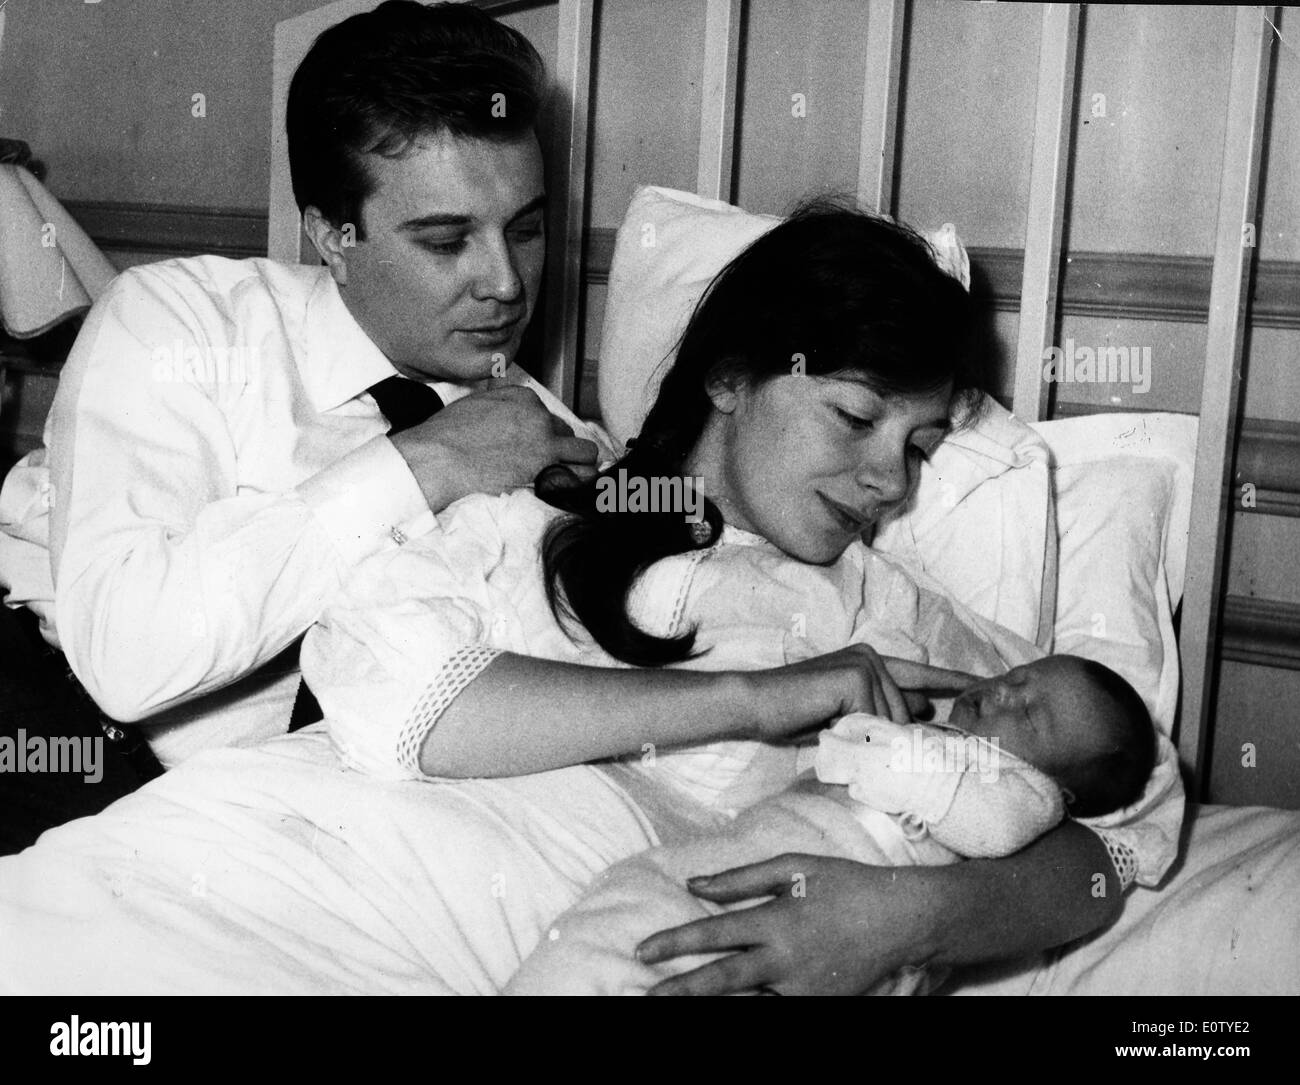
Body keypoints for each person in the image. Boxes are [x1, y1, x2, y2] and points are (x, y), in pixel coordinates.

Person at [296, 202, 1181, 994]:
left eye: (918, 447)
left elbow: (1123, 814)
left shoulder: (883, 608)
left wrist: (904, 917)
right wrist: (750, 702)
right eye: (854, 415)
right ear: (729, 377)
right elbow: (377, 682)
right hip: (314, 865)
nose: (889, 481)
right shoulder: (546, 505)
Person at [0, 1, 602, 853]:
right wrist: (421, 463)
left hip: (270, 817)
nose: (505, 282)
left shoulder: (535, 427)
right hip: (46, 720)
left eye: (528, 230)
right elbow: (126, 655)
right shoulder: (183, 324)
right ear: (331, 235)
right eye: (444, 240)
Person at [504, 655, 1157, 995]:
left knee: (665, 941)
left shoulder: (1022, 793)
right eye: (1016, 679)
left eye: (1032, 716)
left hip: (840, 888)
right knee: (627, 917)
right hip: (744, 852)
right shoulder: (931, 730)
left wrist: (887, 750)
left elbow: (1008, 830)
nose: (1007, 692)